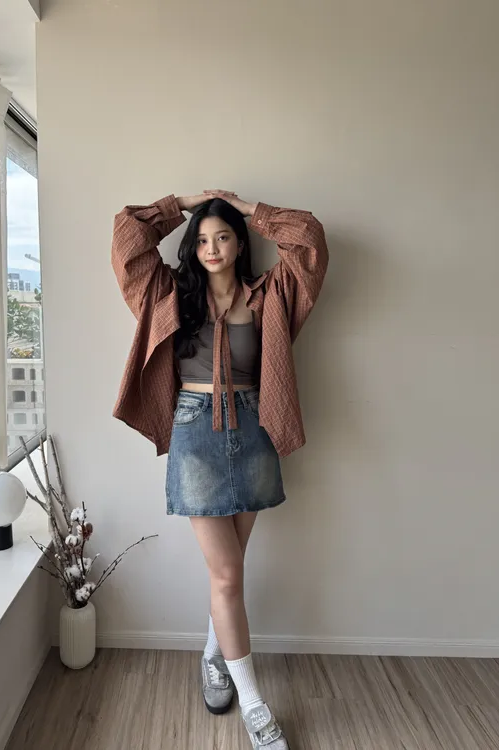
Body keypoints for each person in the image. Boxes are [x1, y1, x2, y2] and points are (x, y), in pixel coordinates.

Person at [112, 189, 328, 749]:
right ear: (193, 246)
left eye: (223, 236)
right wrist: (181, 204)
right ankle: (255, 707)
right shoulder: (168, 293)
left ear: (239, 243)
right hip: (194, 435)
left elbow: (309, 242)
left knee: (227, 574)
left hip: (255, 431)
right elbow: (127, 239)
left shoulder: (270, 295)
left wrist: (252, 209)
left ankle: (213, 657)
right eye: (203, 239)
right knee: (228, 576)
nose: (211, 248)